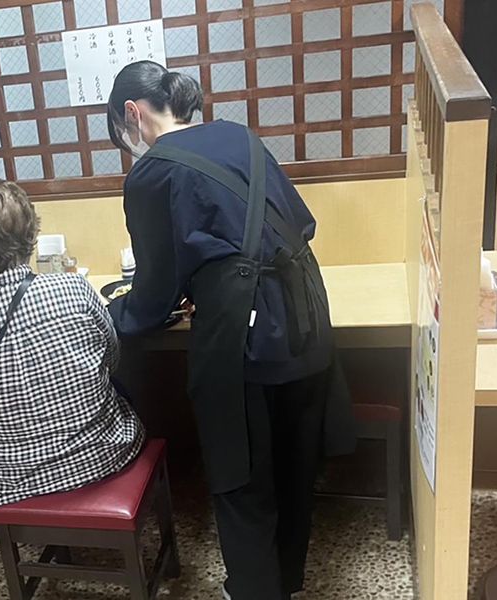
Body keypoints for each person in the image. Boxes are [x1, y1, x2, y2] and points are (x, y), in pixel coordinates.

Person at [106, 61, 356, 600]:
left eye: (122, 131)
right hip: (307, 315)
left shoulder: (151, 174)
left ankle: (251, 590)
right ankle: (285, 584)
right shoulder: (240, 136)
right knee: (295, 469)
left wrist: (116, 315)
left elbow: (154, 292)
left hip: (243, 337)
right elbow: (301, 223)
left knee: (241, 475)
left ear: (132, 113)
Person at [0, 178, 144, 508]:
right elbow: (112, 359)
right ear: (32, 236)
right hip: (103, 456)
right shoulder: (74, 290)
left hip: (9, 483)